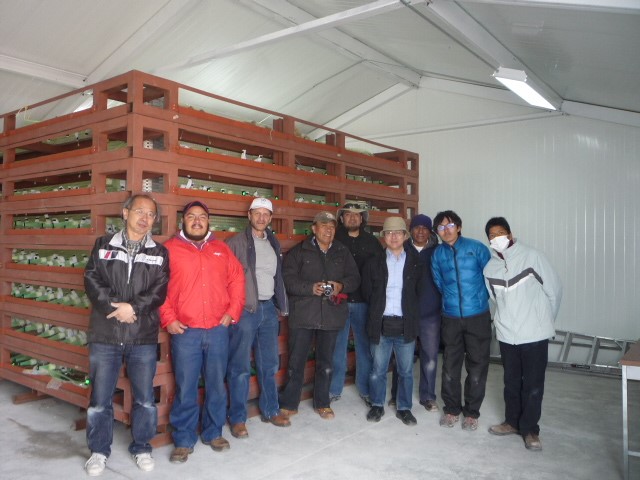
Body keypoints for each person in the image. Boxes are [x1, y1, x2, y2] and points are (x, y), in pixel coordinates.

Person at [83, 193, 170, 476]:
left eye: (151, 214)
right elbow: (91, 279)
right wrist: (115, 307)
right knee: (100, 398)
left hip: (141, 335)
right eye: (140, 211)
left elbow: (159, 291)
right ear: (125, 212)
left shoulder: (159, 252)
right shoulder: (103, 245)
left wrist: (131, 308)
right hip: (105, 333)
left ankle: (142, 447)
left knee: (144, 398)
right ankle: (98, 450)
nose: (145, 218)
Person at [159, 201, 245, 464]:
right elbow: (157, 287)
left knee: (216, 385)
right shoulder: (169, 250)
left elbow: (237, 279)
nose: (197, 221)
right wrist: (168, 318)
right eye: (191, 216)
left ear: (209, 222)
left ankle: (213, 432)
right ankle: (184, 440)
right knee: (186, 387)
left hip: (218, 330)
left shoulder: (221, 249)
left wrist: (233, 310)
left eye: (202, 217)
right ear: (182, 221)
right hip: (186, 332)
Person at [483, 217, 562, 451]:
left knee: (533, 385)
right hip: (508, 335)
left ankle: (530, 430)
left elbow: (554, 292)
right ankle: (511, 422)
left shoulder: (532, 257)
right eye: (492, 235)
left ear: (510, 234)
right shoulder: (490, 268)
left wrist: (544, 322)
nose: (497, 238)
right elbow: (495, 300)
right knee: (511, 382)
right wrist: (502, 323)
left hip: (534, 334)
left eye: (500, 233)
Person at [279, 211, 360, 420]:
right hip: (304, 314)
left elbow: (355, 278)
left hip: (331, 314)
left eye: (332, 226)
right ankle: (289, 403)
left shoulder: (342, 252)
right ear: (314, 229)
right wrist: (309, 288)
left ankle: (322, 403)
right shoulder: (299, 252)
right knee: (296, 360)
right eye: (323, 226)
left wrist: (340, 285)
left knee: (327, 361)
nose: (328, 230)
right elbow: (287, 280)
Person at [225, 197, 291, 438]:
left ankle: (271, 410)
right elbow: (224, 279)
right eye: (257, 213)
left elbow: (277, 277)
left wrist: (278, 305)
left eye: (267, 214)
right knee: (240, 367)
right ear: (249, 215)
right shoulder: (235, 243)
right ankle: (238, 418)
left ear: (270, 218)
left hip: (268, 310)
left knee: (269, 364)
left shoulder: (273, 242)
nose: (262, 218)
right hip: (244, 311)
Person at [431, 210, 491, 431]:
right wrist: (452, 301)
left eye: (450, 225)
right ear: (437, 232)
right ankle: (451, 409)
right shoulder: (438, 254)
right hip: (451, 317)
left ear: (459, 226)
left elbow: (490, 278)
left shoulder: (476, 248)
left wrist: (478, 300)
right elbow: (439, 282)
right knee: (450, 366)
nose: (446, 230)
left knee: (477, 365)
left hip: (477, 316)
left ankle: (472, 413)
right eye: (441, 227)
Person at [362, 217, 422, 426]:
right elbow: (368, 292)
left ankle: (404, 408)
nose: (393, 236)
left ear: (405, 236)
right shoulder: (374, 262)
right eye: (389, 233)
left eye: (398, 233)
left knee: (405, 371)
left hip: (406, 324)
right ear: (383, 237)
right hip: (381, 323)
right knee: (378, 370)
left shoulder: (416, 262)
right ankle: (377, 405)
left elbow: (420, 292)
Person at [329, 202, 383, 406]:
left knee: (365, 348)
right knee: (337, 348)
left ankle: (365, 389)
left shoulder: (372, 242)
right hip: (337, 302)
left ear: (362, 219)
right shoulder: (333, 239)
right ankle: (334, 389)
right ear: (341, 219)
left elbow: (380, 272)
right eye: (348, 215)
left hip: (364, 302)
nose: (352, 218)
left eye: (357, 215)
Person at [405, 214, 442, 412]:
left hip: (430, 313)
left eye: (425, 228)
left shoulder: (438, 251)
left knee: (430, 357)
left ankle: (428, 396)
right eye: (416, 227)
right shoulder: (402, 249)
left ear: (430, 231)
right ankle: (399, 394)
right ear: (410, 230)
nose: (420, 231)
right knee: (403, 356)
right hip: (406, 313)